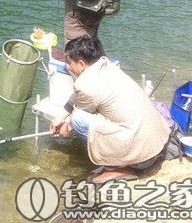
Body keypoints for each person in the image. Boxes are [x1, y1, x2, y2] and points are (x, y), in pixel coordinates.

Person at [49, 36, 171, 183]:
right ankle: (124, 160)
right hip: (156, 143)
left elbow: (76, 117)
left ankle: (119, 168)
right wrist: (60, 117)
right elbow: (77, 95)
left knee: (77, 120)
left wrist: (66, 129)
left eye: (68, 62)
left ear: (81, 64)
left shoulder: (85, 84)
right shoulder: (106, 66)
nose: (67, 67)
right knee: (86, 117)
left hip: (142, 155)